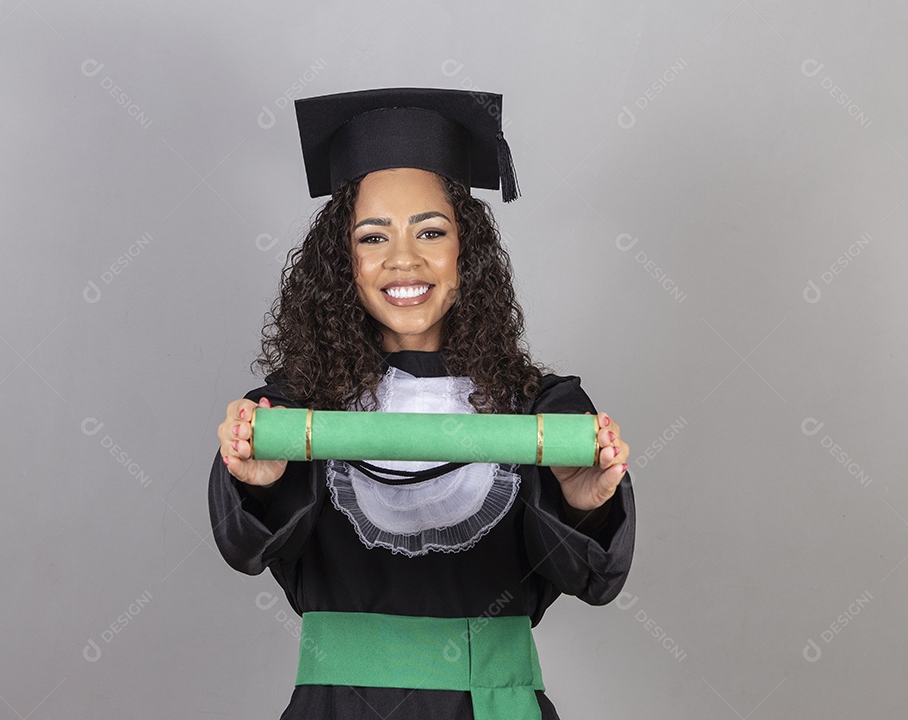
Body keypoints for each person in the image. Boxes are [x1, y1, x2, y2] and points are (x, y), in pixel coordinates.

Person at [209, 87, 635, 720]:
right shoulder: (293, 414)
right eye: (372, 237)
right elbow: (243, 546)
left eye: (430, 231)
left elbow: (598, 581)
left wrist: (585, 503)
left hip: (494, 707)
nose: (402, 259)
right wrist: (260, 485)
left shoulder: (543, 411)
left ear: (468, 251)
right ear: (341, 260)